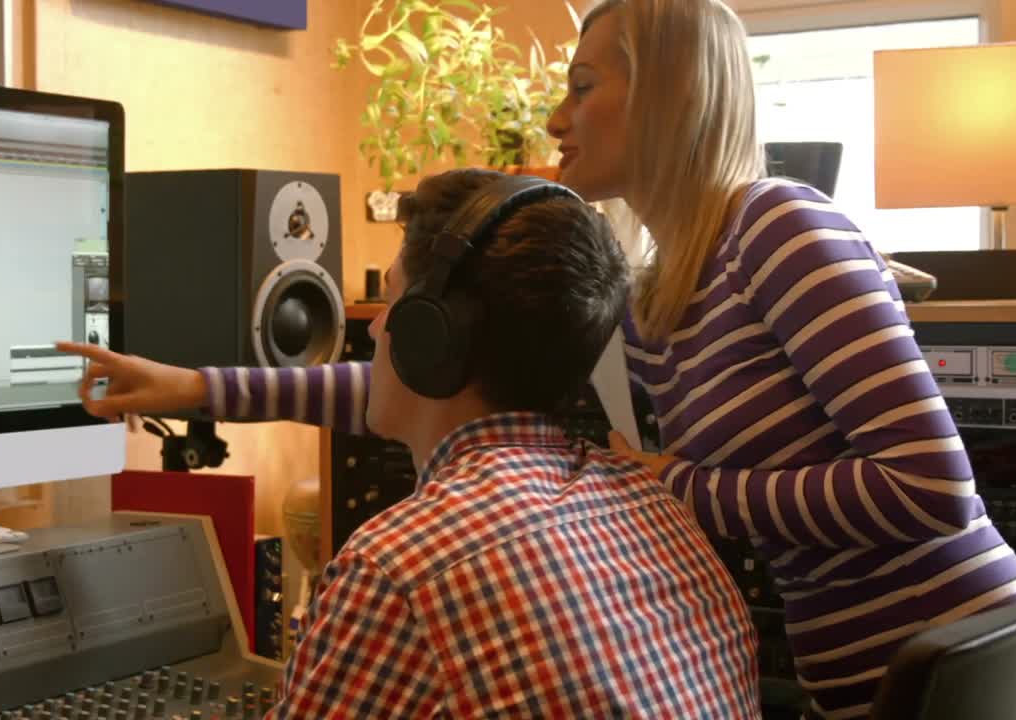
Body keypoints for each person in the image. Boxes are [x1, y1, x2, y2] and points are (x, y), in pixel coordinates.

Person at [61, 2, 1016, 718]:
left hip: (963, 669)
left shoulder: (780, 227)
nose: (558, 118)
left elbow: (932, 489)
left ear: (671, 92)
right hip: (858, 682)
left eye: (583, 86)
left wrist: (682, 485)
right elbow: (427, 375)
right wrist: (197, 387)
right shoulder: (659, 293)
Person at [63, 168, 763, 717]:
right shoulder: (655, 505)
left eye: (390, 301)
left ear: (431, 340)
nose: (372, 329)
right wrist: (194, 386)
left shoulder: (403, 567)